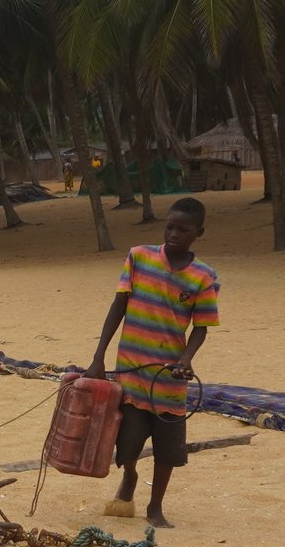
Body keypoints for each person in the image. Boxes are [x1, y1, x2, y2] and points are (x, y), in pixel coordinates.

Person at [87, 197, 217, 528]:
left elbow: (200, 328)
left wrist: (186, 359)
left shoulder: (203, 277)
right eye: (170, 226)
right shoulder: (139, 257)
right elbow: (117, 307)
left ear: (199, 233)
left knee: (167, 450)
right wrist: (98, 356)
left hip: (170, 381)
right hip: (131, 373)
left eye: (183, 229)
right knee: (126, 446)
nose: (174, 234)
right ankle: (129, 476)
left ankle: (155, 507)